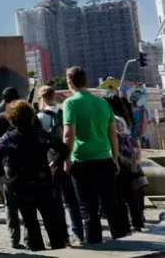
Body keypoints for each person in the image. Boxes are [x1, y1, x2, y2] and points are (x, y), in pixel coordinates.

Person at [0, 100, 68, 251]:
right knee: (51, 221)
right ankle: (59, 250)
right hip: (43, 181)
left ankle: (39, 250)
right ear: (31, 116)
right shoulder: (42, 135)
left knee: (31, 223)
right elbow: (64, 149)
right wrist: (53, 165)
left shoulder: (9, 139)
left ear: (12, 119)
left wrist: (2, 176)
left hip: (21, 184)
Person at [62, 66, 125, 244]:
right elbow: (113, 134)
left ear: (70, 83)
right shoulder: (103, 103)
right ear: (86, 81)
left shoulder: (70, 103)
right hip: (104, 159)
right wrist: (115, 158)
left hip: (82, 161)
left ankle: (96, 247)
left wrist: (66, 159)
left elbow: (68, 135)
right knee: (111, 206)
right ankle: (122, 243)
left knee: (88, 209)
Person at [38, 86, 84, 245]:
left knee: (56, 200)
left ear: (42, 98)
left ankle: (63, 235)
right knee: (72, 199)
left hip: (51, 161)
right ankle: (78, 232)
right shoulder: (65, 114)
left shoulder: (40, 117)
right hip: (69, 158)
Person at [0, 87, 24, 248]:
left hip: (8, 164)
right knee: (28, 203)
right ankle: (31, 237)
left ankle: (14, 239)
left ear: (4, 101)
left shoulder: (0, 118)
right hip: (27, 163)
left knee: (10, 204)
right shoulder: (28, 115)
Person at [106, 95, 144, 234]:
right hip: (128, 160)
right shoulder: (123, 118)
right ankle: (137, 222)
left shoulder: (113, 119)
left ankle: (125, 225)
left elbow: (113, 139)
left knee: (119, 196)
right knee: (130, 194)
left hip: (119, 159)